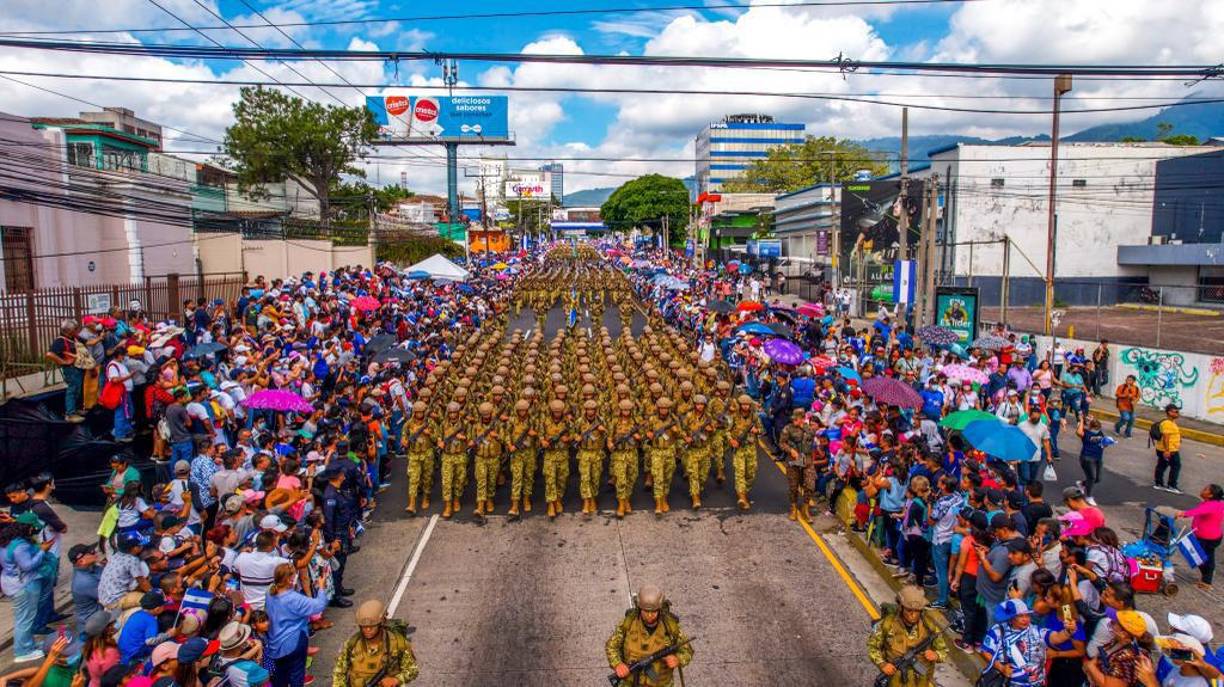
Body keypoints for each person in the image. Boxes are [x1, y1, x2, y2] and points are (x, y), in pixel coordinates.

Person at [605, 583, 693, 687]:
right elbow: (611, 646)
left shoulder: (670, 627)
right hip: (631, 683)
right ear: (640, 608)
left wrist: (678, 659)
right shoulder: (628, 624)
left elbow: (687, 650)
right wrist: (618, 664)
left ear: (659, 608)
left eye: (654, 611)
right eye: (646, 611)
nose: (650, 616)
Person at [979, 599, 1079, 687]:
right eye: (1020, 616)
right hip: (1009, 683)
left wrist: (1068, 632)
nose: (1025, 619)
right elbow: (985, 651)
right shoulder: (998, 631)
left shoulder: (1036, 631)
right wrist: (1001, 667)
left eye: (1027, 615)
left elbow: (1056, 638)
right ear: (1011, 617)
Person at [867, 585, 948, 687]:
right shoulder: (887, 625)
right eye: (909, 610)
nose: (913, 615)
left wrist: (936, 655)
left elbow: (943, 650)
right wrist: (882, 664)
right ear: (901, 607)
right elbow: (872, 647)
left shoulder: (929, 627)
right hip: (895, 681)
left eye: (917, 610)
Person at [266, 562, 331, 687]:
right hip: (293, 642)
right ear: (290, 579)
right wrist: (321, 588)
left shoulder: (270, 592)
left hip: (275, 644)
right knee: (296, 677)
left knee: (280, 679)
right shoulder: (293, 599)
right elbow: (319, 606)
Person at [0, 515, 53, 663]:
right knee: (25, 619)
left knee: (22, 618)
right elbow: (28, 566)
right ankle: (23, 651)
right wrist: (42, 550)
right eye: (32, 527)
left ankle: (28, 644)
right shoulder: (20, 545)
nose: (34, 530)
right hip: (24, 585)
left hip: (10, 582)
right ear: (26, 527)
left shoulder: (6, 541)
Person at [332, 600, 419, 686]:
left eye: (372, 626)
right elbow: (339, 673)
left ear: (382, 623)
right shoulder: (352, 644)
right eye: (364, 626)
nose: (367, 630)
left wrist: (396, 680)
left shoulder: (397, 643)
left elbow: (412, 670)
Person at [1176, 484, 1223, 590]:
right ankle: (1206, 577)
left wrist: (1183, 513)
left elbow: (1197, 512)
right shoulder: (1212, 503)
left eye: (1206, 489)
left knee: (1204, 558)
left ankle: (1207, 581)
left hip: (1208, 538)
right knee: (1201, 557)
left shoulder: (1211, 505)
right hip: (1208, 536)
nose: (1203, 490)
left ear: (1210, 495)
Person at [1076, 415, 1109, 506]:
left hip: (1098, 457)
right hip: (1087, 458)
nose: (1097, 430)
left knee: (1098, 478)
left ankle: (1082, 484)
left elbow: (1103, 444)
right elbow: (1079, 432)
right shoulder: (1086, 433)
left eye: (1098, 428)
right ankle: (1089, 496)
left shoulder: (1100, 433)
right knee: (1092, 477)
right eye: (1095, 428)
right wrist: (1081, 420)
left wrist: (1107, 443)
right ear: (1090, 427)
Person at [1153, 404, 1183, 495]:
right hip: (1169, 450)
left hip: (1165, 449)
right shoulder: (1167, 423)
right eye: (1176, 412)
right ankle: (1172, 486)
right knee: (1176, 466)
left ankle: (1159, 483)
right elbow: (1166, 437)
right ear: (1169, 412)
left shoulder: (1171, 422)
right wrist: (1167, 450)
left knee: (1162, 465)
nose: (1178, 413)